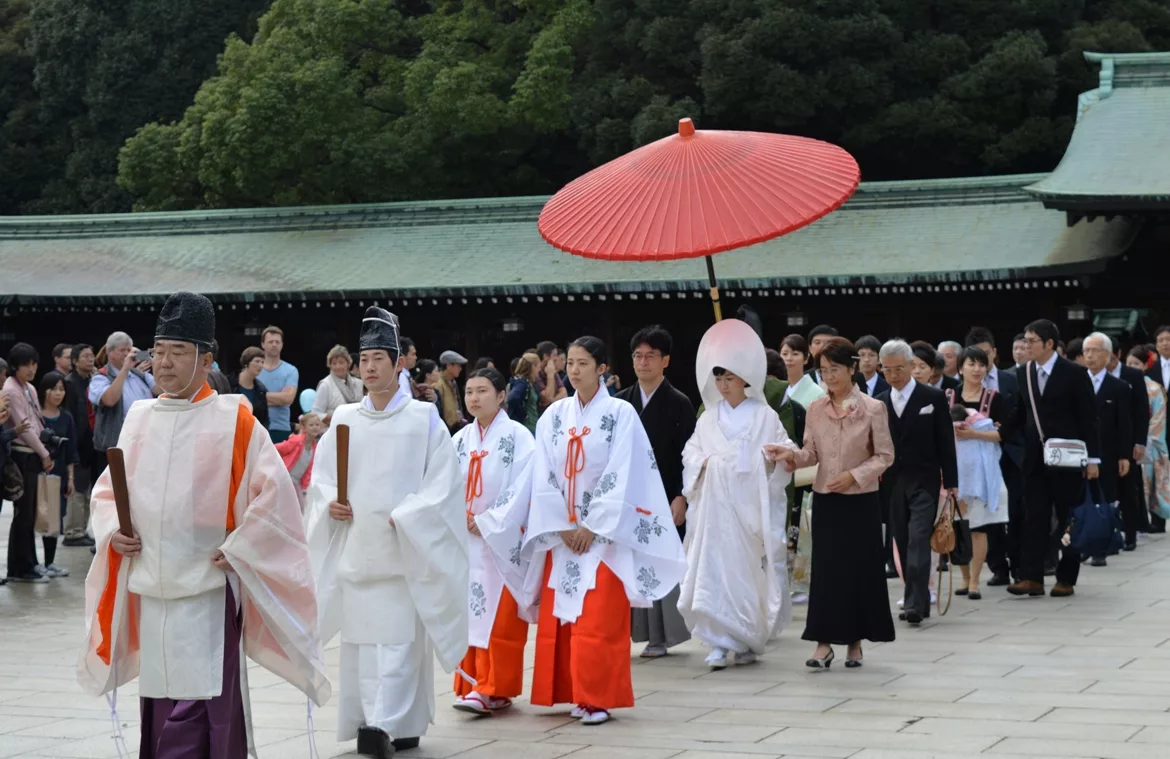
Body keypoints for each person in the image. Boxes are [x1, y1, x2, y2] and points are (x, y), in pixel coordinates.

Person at [77, 292, 331, 759]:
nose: (164, 362)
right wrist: (116, 530)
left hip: (208, 585)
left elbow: (273, 497)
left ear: (206, 357)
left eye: (178, 351)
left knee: (201, 702)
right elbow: (108, 491)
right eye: (158, 351)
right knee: (160, 697)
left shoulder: (235, 419)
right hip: (151, 582)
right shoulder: (139, 418)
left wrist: (241, 544)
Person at [306, 307, 467, 759]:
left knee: (398, 643)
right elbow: (321, 483)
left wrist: (412, 514)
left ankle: (385, 724)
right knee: (361, 645)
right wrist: (328, 504)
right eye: (364, 358)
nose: (370, 366)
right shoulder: (344, 420)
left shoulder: (423, 419)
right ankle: (373, 721)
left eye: (379, 357)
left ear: (399, 363)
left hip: (402, 548)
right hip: (358, 547)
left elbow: (443, 485)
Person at [523, 336, 685, 725]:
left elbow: (624, 472)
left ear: (602, 369)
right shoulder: (553, 417)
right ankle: (572, 692)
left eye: (583, 363)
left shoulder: (621, 414)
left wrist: (592, 526)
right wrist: (563, 525)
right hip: (564, 535)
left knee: (598, 619)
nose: (574, 370)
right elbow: (541, 474)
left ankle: (598, 698)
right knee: (565, 618)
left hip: (604, 537)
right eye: (571, 363)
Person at [767, 337, 895, 667]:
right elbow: (811, 453)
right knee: (825, 573)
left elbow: (885, 456)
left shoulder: (873, 408)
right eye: (823, 371)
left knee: (858, 572)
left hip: (861, 502)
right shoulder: (815, 409)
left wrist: (855, 475)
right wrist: (790, 455)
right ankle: (822, 644)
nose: (828, 376)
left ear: (852, 369)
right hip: (826, 499)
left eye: (834, 369)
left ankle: (855, 642)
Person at [681, 319, 794, 669]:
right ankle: (717, 641)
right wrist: (710, 464)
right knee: (713, 572)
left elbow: (785, 449)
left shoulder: (764, 415)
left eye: (729, 378)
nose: (723, 385)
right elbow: (690, 454)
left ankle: (746, 637)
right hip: (715, 512)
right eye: (719, 378)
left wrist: (773, 457)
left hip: (749, 509)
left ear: (745, 379)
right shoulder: (707, 418)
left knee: (747, 573)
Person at [450, 368, 536, 715]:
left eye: (483, 390)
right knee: (469, 615)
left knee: (499, 618)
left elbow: (523, 488)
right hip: (465, 543)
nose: (474, 398)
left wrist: (487, 521)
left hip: (500, 543)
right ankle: (473, 685)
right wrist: (458, 517)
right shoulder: (459, 440)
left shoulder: (519, 437)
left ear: (502, 395)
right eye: (469, 391)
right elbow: (444, 485)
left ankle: (494, 687)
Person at [616, 326, 696, 659]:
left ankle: (662, 636)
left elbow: (689, 454)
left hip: (665, 494)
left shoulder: (680, 403)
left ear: (666, 361)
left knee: (661, 562)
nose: (643, 362)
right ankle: (633, 631)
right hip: (630, 497)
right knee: (630, 563)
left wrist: (682, 495)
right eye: (638, 355)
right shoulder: (620, 404)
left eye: (651, 356)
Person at [1008, 319, 1101, 599]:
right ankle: (1032, 577)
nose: (1026, 346)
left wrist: (1093, 459)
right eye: (1024, 340)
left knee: (1067, 518)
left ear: (1049, 344)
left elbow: (1089, 419)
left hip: (1069, 458)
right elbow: (1021, 413)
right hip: (1036, 458)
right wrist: (991, 431)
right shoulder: (1023, 372)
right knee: (1033, 516)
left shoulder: (1073, 373)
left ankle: (1066, 577)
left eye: (1032, 341)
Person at [875, 339, 957, 625]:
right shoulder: (880, 402)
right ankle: (918, 601)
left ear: (911, 366)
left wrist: (953, 481)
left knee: (919, 539)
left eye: (900, 368)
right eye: (888, 370)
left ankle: (913, 603)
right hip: (893, 483)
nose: (894, 375)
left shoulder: (932, 397)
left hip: (925, 480)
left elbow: (946, 441)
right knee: (902, 539)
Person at [947, 347, 1011, 599]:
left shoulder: (994, 397)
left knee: (979, 527)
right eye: (971, 364)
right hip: (956, 468)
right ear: (961, 367)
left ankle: (975, 581)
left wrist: (975, 434)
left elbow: (1003, 433)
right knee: (957, 526)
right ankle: (963, 578)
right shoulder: (948, 395)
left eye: (981, 365)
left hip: (983, 471)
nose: (977, 369)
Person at [964, 327, 1022, 585]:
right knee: (986, 517)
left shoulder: (1013, 379)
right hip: (977, 461)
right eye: (973, 361)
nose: (980, 366)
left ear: (995, 354)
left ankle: (1020, 566)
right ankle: (998, 567)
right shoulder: (955, 392)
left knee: (1016, 511)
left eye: (985, 357)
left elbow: (1020, 416)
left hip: (1012, 455)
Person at [1081, 333, 1133, 567]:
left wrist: (1125, 454)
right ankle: (1082, 543)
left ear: (1108, 355)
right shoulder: (1077, 381)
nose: (1090, 356)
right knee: (1080, 498)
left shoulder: (1119, 387)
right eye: (1086, 351)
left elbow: (1125, 423)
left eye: (1095, 351)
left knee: (1106, 499)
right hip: (1080, 452)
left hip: (1108, 452)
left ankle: (1101, 548)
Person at [4, 343, 52, 583]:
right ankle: (21, 567)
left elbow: (37, 422)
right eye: (26, 364)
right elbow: (24, 428)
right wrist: (44, 453)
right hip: (22, 454)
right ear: (15, 367)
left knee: (29, 513)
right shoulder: (11, 389)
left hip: (33, 453)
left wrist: (46, 447)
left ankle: (28, 563)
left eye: (34, 364)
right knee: (23, 513)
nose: (32, 369)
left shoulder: (30, 388)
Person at [1109, 339, 1151, 551]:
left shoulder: (1133, 375)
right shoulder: (1089, 375)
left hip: (1128, 439)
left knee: (1128, 489)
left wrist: (1139, 442)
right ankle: (1108, 531)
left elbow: (1142, 411)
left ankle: (1131, 534)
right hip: (1105, 440)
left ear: (1117, 353)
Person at [37, 371, 79, 578]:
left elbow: (71, 451)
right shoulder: (36, 415)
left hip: (59, 473)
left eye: (61, 389)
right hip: (36, 472)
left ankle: (50, 562)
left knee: (54, 519)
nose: (58, 393)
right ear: (44, 390)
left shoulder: (66, 417)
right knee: (33, 518)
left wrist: (70, 478)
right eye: (54, 389)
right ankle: (31, 563)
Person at [1129, 346, 1170, 522]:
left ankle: (1156, 520)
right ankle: (1137, 520)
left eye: (1136, 363)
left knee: (1154, 482)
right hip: (1130, 439)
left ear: (1146, 365)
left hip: (1150, 440)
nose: (1131, 367)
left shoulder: (1154, 388)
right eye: (1129, 363)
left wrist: (1144, 438)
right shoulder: (1123, 384)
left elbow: (1158, 417)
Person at [63, 343, 97, 547]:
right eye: (85, 356)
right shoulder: (69, 383)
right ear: (75, 361)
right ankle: (73, 532)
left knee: (88, 489)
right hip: (76, 441)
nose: (90, 359)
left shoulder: (92, 380)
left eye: (92, 355)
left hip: (90, 442)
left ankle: (83, 529)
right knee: (75, 488)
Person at [274, 412, 326, 512]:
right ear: (304, 427)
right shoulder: (296, 441)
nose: (315, 427)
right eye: (311, 425)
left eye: (317, 425)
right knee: (285, 507)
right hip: (285, 478)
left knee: (301, 508)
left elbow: (309, 469)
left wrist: (304, 487)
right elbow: (278, 448)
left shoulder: (314, 446)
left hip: (296, 482)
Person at [258, 325, 299, 443]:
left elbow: (287, 399)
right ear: (263, 344)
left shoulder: (290, 370)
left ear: (282, 344)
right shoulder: (255, 369)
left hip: (281, 428)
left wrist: (259, 397)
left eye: (277, 342)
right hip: (257, 426)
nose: (274, 344)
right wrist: (277, 397)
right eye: (270, 342)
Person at [313, 345, 363, 424]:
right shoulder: (325, 385)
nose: (338, 366)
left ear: (348, 363)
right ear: (330, 365)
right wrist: (339, 417)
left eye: (341, 362)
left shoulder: (359, 383)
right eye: (334, 363)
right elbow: (315, 414)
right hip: (333, 431)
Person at [232, 346, 271, 429]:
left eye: (262, 362)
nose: (260, 365)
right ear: (246, 362)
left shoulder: (261, 390)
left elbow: (264, 419)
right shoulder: (228, 383)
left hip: (253, 434)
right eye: (257, 361)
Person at [506, 353, 541, 434]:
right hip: (527, 427)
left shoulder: (529, 383)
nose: (539, 369)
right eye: (538, 366)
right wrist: (524, 414)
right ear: (533, 366)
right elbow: (512, 398)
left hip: (531, 425)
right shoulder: (522, 383)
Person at [437, 350, 469, 433]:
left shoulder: (452, 383)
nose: (460, 369)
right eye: (458, 365)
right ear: (449, 366)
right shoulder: (438, 384)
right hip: (446, 430)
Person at [534, 341, 568, 412]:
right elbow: (547, 398)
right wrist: (550, 375)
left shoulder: (552, 369)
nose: (556, 358)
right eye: (554, 355)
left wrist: (552, 401)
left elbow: (564, 393)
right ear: (545, 356)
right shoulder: (535, 373)